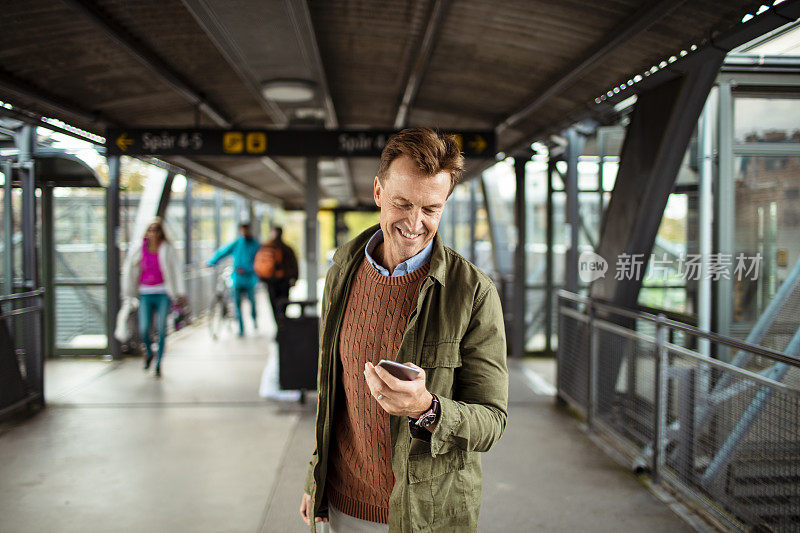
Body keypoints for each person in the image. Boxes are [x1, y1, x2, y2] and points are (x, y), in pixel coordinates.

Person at [300, 128, 509, 532]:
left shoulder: (473, 293)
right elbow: (332, 391)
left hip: (426, 515)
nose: (415, 223)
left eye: (431, 208)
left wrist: (426, 410)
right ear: (378, 192)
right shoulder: (342, 269)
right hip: (343, 503)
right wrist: (316, 477)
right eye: (402, 204)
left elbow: (492, 421)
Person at [121, 218, 185, 377]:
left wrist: (180, 293)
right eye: (150, 229)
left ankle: (158, 362)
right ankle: (149, 352)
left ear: (161, 232)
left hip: (163, 293)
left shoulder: (167, 248)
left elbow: (176, 270)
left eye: (156, 229)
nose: (153, 233)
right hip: (145, 293)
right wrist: (128, 291)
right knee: (144, 329)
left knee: (162, 329)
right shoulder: (139, 248)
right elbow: (129, 269)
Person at [207, 222, 261, 337]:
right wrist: (211, 262)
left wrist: (247, 269)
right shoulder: (237, 243)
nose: (244, 232)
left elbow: (259, 262)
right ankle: (241, 328)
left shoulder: (255, 245)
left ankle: (254, 319)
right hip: (237, 278)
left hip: (250, 279)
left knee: (252, 302)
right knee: (237, 304)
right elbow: (223, 252)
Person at [255, 226, 298, 321]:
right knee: (283, 304)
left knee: (274, 305)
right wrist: (294, 278)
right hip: (284, 281)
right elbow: (294, 265)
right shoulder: (287, 248)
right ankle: (282, 324)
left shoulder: (266, 247)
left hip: (270, 281)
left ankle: (278, 325)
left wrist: (262, 278)